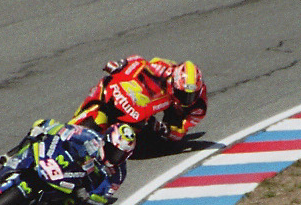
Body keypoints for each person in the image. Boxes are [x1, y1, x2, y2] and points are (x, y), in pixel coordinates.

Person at [0, 118, 135, 205]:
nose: (115, 156)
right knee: (40, 125)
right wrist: (46, 129)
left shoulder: (118, 174)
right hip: (62, 165)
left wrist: (88, 195)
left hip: (77, 188)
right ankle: (11, 155)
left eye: (120, 154)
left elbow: (104, 197)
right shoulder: (91, 136)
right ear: (105, 141)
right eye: (114, 150)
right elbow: (65, 130)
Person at [79, 56, 208, 142]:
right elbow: (139, 62)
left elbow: (180, 133)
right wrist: (121, 64)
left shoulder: (199, 107)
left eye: (191, 95)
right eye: (182, 93)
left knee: (163, 141)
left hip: (173, 114)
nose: (186, 99)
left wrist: (165, 129)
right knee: (105, 89)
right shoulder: (163, 68)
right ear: (174, 83)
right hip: (159, 96)